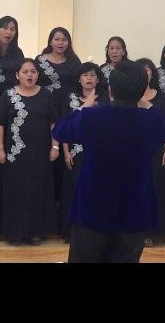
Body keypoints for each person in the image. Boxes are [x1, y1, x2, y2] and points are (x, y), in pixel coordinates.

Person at [53, 60, 165, 263]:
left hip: (93, 209)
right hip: (133, 211)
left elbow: (60, 130)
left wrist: (84, 106)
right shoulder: (151, 121)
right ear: (142, 91)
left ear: (110, 90)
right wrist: (146, 102)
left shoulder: (92, 117)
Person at [0, 58, 59, 245]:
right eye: (25, 72)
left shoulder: (46, 95)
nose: (29, 75)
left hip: (40, 153)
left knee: (38, 190)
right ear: (17, 75)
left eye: (33, 71)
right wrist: (0, 149)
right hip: (15, 154)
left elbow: (53, 123)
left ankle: (35, 231)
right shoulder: (7, 96)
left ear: (38, 74)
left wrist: (55, 147)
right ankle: (14, 231)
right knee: (16, 191)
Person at [58, 62, 104, 240]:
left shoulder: (105, 99)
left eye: (93, 75)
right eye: (85, 75)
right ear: (79, 78)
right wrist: (66, 151)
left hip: (98, 153)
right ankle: (71, 232)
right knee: (74, 190)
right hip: (75, 152)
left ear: (98, 78)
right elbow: (66, 124)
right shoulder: (71, 98)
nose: (89, 79)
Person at [35, 27, 82, 201]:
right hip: (46, 111)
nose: (60, 43)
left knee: (66, 153)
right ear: (50, 41)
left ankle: (61, 202)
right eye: (57, 39)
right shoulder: (39, 61)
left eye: (64, 39)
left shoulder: (74, 62)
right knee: (47, 151)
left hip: (69, 111)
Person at [136, 58, 165, 248]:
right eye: (141, 69)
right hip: (132, 149)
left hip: (156, 148)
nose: (145, 72)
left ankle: (149, 231)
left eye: (148, 69)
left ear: (153, 73)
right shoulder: (129, 94)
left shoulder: (160, 97)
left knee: (153, 188)